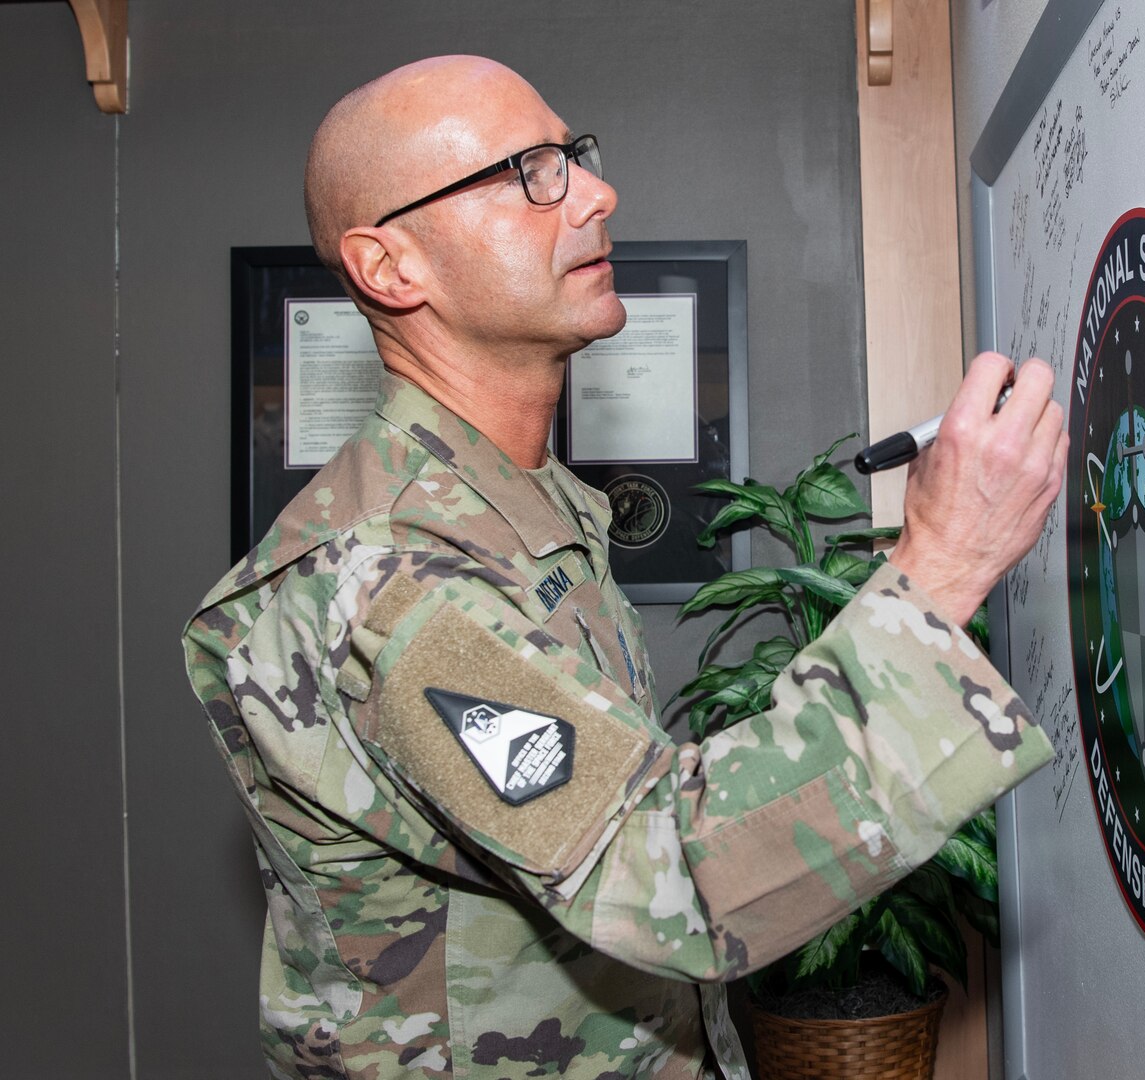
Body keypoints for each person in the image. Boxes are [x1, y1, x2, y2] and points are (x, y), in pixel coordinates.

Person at [184, 55, 1066, 1080]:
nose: (596, 194)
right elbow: (673, 876)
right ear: (390, 269)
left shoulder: (522, 506)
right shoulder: (391, 576)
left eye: (575, 157)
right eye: (528, 172)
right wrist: (945, 561)